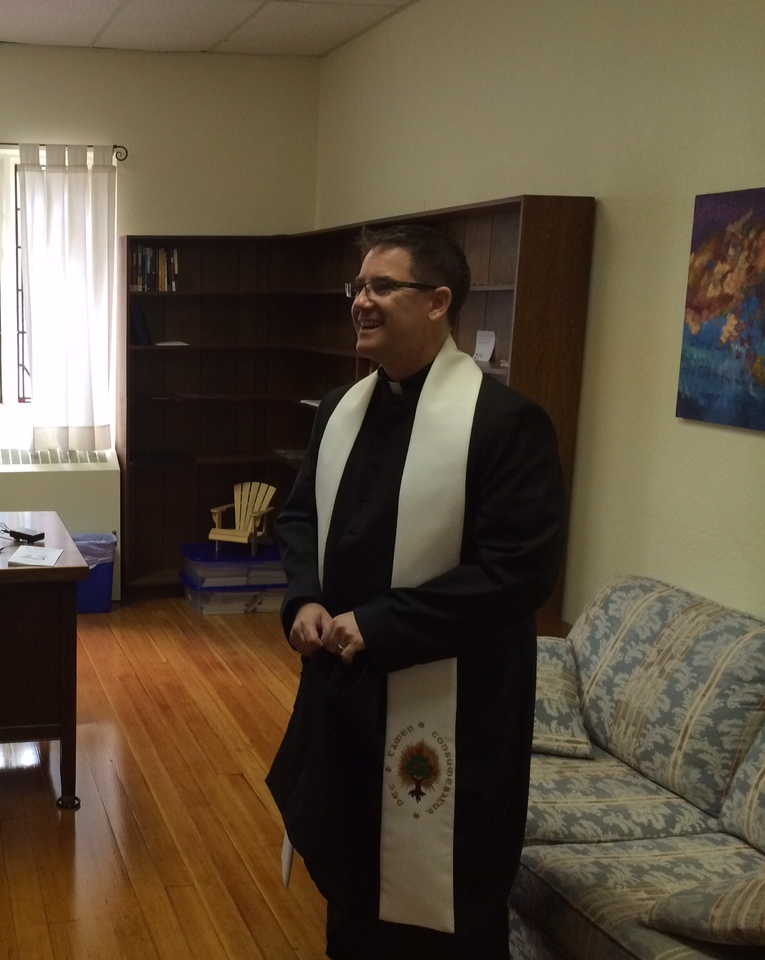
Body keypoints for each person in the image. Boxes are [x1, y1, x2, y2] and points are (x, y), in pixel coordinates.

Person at [265, 223, 565, 959]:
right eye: (357, 288)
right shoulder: (341, 410)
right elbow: (299, 516)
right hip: (345, 687)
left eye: (380, 287)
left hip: (453, 700)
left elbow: (516, 570)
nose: (361, 302)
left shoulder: (505, 424)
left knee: (445, 905)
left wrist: (379, 623)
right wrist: (304, 599)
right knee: (353, 879)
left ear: (438, 302)